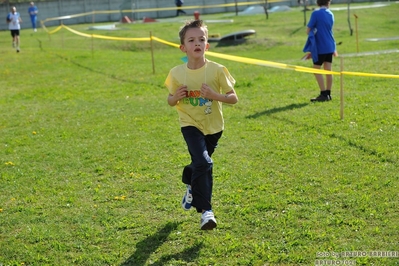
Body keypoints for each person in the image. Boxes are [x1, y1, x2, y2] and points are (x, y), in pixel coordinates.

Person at [165, 20, 238, 230]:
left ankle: (190, 181)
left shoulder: (217, 70)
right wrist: (175, 97)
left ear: (207, 45)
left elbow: (233, 98)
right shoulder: (177, 73)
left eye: (201, 39)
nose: (197, 43)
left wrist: (215, 95)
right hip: (189, 124)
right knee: (205, 164)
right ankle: (206, 212)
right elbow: (170, 101)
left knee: (199, 165)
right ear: (183, 47)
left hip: (214, 127)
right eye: (191, 40)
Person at [304, 0, 337, 102]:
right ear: (328, 2)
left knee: (316, 69)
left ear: (318, 2)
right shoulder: (330, 13)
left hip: (320, 46)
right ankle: (328, 93)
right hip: (330, 45)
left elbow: (308, 30)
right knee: (328, 69)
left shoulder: (316, 13)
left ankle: (323, 94)